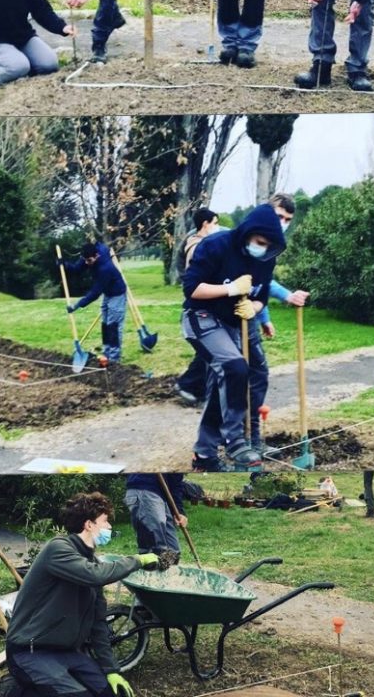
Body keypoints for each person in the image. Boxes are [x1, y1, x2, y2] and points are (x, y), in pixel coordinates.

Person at [6, 492, 158, 697]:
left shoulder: (92, 565)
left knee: (115, 694)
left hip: (66, 652)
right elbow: (95, 575)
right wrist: (137, 561)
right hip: (30, 652)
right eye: (105, 521)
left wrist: (111, 670)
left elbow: (98, 623)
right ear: (89, 524)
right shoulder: (58, 549)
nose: (110, 527)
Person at [182, 203, 287, 472]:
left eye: (268, 245)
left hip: (232, 324)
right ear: (247, 233)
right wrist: (229, 289)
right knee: (233, 367)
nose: (262, 248)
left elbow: (260, 297)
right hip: (200, 317)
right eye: (259, 242)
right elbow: (192, 289)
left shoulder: (265, 258)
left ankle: (204, 456)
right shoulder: (216, 245)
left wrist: (253, 307)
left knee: (231, 381)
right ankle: (234, 440)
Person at [175, 208, 221, 404]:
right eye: (215, 222)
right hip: (200, 307)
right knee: (209, 352)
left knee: (207, 351)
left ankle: (194, 386)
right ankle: (188, 385)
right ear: (206, 224)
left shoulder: (198, 242)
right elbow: (195, 279)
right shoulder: (197, 247)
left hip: (208, 306)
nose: (217, 227)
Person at [60, 241, 127, 361]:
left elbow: (95, 293)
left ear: (97, 256)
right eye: (84, 260)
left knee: (113, 326)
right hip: (108, 293)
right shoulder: (89, 255)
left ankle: (114, 359)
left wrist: (78, 305)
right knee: (105, 324)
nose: (86, 263)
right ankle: (107, 353)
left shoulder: (105, 268)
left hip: (117, 294)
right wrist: (64, 264)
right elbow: (77, 268)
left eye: (89, 261)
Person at [124, 474, 187, 563]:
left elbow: (176, 482)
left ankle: (169, 575)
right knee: (155, 549)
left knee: (173, 552)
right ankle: (151, 575)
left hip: (162, 495)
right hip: (143, 489)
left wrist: (179, 511)